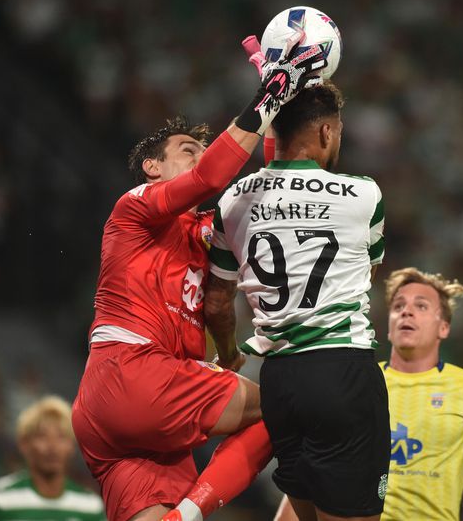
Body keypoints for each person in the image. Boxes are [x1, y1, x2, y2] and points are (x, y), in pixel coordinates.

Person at [71, 43, 328, 521]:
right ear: (153, 168)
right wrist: (271, 94)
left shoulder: (209, 230)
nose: (201, 158)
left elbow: (272, 183)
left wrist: (284, 114)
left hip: (117, 408)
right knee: (287, 405)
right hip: (136, 372)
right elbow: (213, 175)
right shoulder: (135, 206)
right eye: (188, 151)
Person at [204, 80, 390, 521]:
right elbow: (366, 275)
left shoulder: (232, 200)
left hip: (280, 382)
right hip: (342, 371)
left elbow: (217, 304)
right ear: (326, 132)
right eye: (338, 132)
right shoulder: (364, 195)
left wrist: (229, 354)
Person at [274, 267, 463, 521]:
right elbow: (309, 471)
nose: (406, 312)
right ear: (388, 326)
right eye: (398, 306)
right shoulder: (354, 383)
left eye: (421, 306)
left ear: (444, 327)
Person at [0, 396, 105, 521]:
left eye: (61, 437)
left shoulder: (91, 507)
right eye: (42, 436)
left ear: (72, 446)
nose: (52, 447)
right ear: (24, 444)